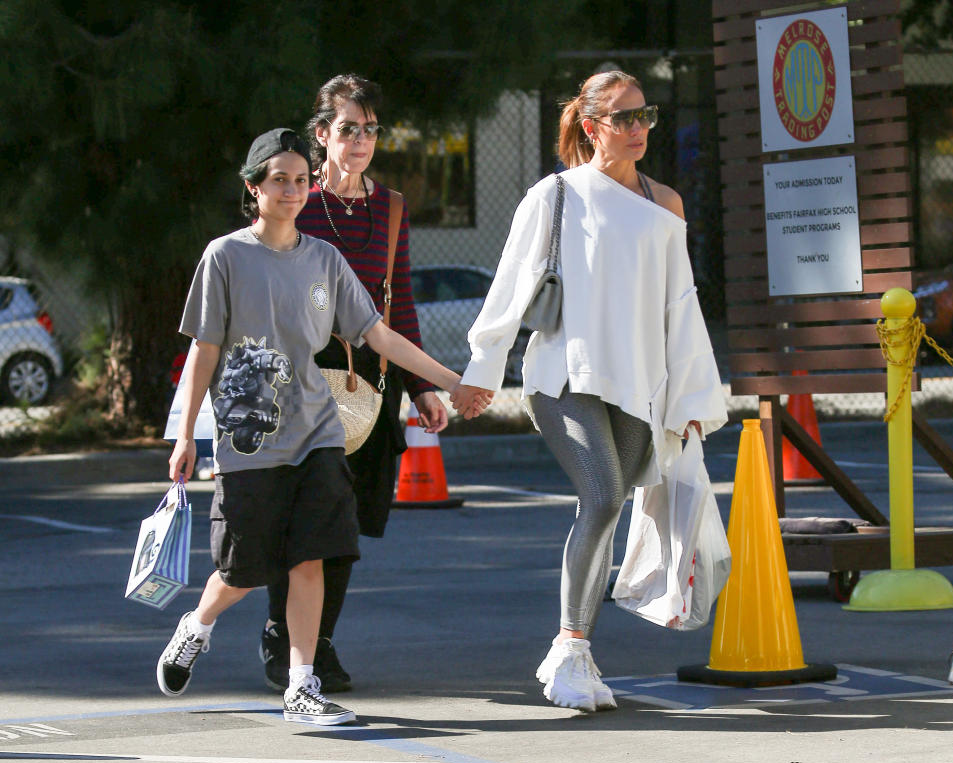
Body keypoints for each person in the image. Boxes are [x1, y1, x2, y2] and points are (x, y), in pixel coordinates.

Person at [158, 128, 473, 725]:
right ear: (254, 188)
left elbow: (377, 334)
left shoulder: (325, 259)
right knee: (245, 568)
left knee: (312, 556)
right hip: (249, 436)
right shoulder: (224, 256)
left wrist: (450, 382)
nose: (293, 190)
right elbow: (204, 349)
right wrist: (185, 434)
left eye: (302, 180)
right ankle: (196, 626)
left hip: (318, 433)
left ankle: (302, 684)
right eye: (280, 179)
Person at [450, 71, 728, 712]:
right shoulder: (554, 195)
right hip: (564, 378)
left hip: (641, 385)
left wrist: (690, 400)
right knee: (603, 498)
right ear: (590, 125)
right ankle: (571, 649)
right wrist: (481, 372)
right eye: (624, 118)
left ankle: (570, 651)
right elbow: (510, 285)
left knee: (613, 498)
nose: (638, 130)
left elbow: (680, 308)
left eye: (645, 116)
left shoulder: (666, 204)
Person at [257, 74, 452, 694]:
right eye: (348, 129)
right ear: (322, 136)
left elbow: (402, 303)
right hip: (302, 374)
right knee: (303, 513)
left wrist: (423, 385)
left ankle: (319, 638)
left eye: (370, 129)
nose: (362, 140)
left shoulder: (390, 207)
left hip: (372, 382)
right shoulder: (298, 203)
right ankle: (284, 636)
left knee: (348, 520)